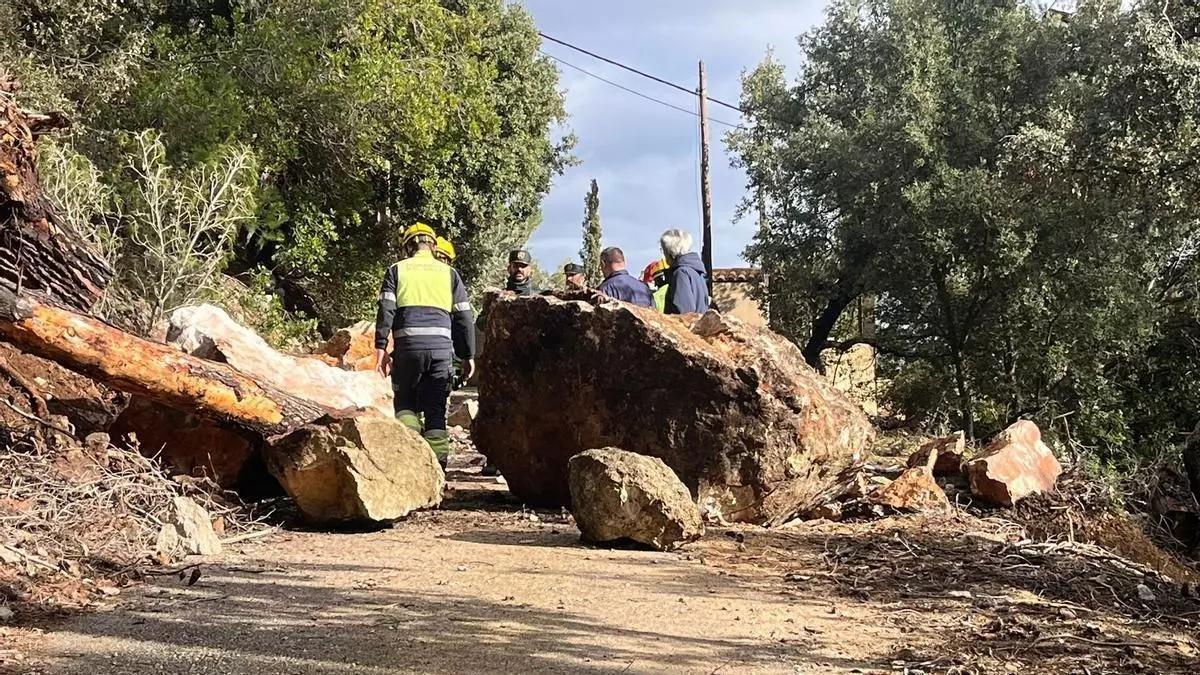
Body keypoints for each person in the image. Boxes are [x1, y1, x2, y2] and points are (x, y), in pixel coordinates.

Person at [374, 222, 476, 466]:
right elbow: (464, 316)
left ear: (409, 245)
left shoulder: (396, 270)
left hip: (407, 349)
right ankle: (437, 472)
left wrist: (380, 347)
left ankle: (410, 461)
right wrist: (467, 354)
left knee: (405, 404)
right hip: (441, 351)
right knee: (435, 411)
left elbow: (386, 309)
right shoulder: (449, 273)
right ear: (432, 245)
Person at [659, 229, 711, 314]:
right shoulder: (696, 272)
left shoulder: (681, 273)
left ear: (670, 252)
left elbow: (684, 314)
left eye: (663, 249)